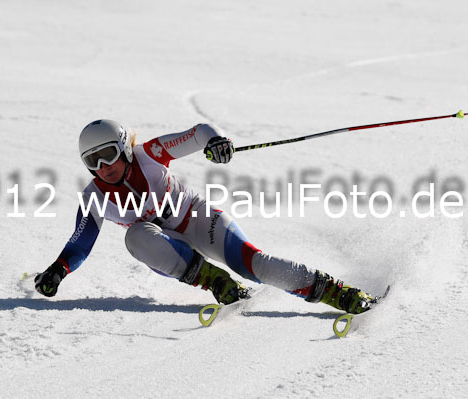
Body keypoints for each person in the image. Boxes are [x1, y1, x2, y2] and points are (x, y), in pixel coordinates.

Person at [35, 119, 376, 314]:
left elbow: (197, 134)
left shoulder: (150, 154)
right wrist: (56, 271)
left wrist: (215, 141)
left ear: (124, 147)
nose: (103, 168)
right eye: (92, 161)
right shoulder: (94, 197)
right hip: (166, 247)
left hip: (198, 220)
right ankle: (216, 282)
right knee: (135, 237)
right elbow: (80, 243)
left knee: (252, 263)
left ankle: (339, 293)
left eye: (108, 155)